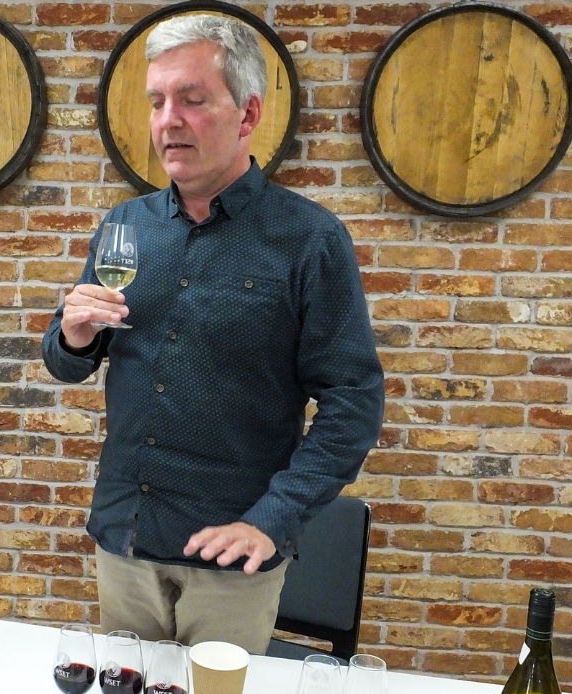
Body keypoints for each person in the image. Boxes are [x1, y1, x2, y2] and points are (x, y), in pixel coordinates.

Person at [41, 14, 385, 654]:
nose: (168, 119)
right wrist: (73, 336)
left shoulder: (309, 240)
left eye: (192, 100)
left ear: (247, 115)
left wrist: (271, 521)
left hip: (231, 557)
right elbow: (67, 363)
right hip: (126, 537)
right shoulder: (128, 227)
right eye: (157, 101)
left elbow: (353, 404)